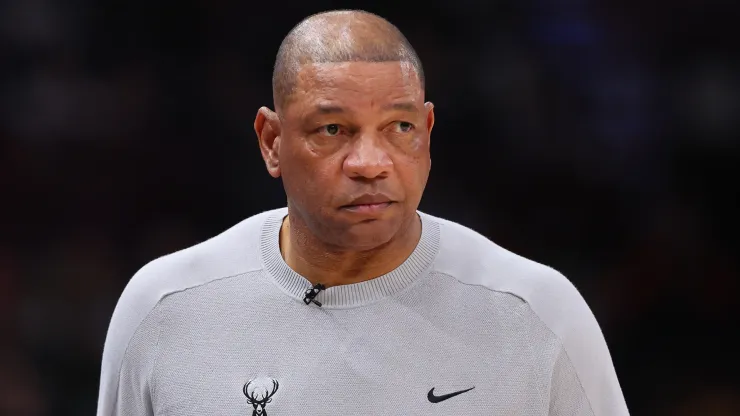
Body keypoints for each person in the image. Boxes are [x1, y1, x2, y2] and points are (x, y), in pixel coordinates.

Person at [97, 10, 629, 416]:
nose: (370, 163)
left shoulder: (536, 311)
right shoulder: (165, 307)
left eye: (399, 128)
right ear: (272, 141)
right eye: (333, 130)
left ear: (427, 133)